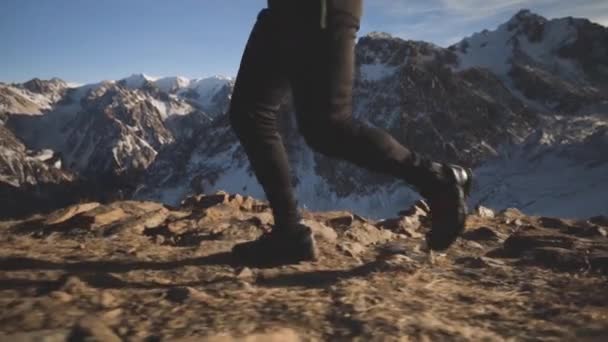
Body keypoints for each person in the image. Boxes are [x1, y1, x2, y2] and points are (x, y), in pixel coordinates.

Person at [229, 0, 472, 265]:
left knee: (327, 127)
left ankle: (438, 179)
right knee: (250, 112)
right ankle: (288, 234)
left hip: (316, 10)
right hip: (285, 11)